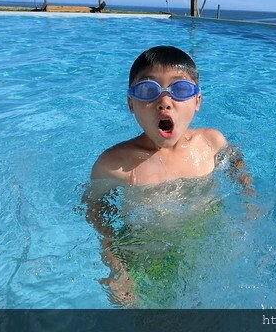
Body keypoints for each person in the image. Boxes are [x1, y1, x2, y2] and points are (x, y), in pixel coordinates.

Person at [85, 45, 251, 306]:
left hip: (205, 240)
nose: (164, 101)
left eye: (180, 90)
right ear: (131, 103)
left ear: (197, 102)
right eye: (148, 91)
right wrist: (116, 266)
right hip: (146, 249)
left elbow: (235, 161)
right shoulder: (114, 164)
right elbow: (94, 208)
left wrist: (249, 195)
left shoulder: (211, 142)